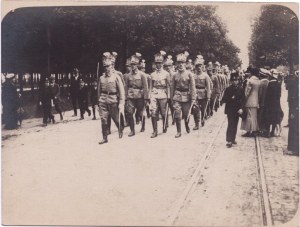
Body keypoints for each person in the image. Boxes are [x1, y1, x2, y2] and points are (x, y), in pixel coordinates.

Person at [98, 52, 125, 144]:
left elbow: (121, 91)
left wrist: (121, 103)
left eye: (108, 66)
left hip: (113, 99)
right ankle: (104, 137)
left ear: (111, 66)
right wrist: (99, 101)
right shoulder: (101, 78)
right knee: (103, 118)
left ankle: (120, 128)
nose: (106, 68)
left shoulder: (116, 77)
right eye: (105, 66)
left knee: (115, 118)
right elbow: (99, 90)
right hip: (103, 100)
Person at [171, 52, 196, 138]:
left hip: (186, 96)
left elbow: (192, 87)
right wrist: (171, 98)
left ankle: (186, 125)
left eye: (182, 63)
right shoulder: (174, 75)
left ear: (185, 64)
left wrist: (193, 98)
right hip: (177, 96)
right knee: (177, 114)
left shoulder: (189, 74)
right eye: (179, 63)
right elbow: (172, 87)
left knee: (186, 114)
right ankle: (178, 131)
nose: (181, 64)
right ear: (177, 64)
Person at [124, 53, 149, 137]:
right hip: (131, 96)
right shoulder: (128, 75)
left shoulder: (142, 74)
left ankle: (143, 125)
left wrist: (146, 98)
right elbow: (126, 87)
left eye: (134, 64)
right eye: (131, 64)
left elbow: (145, 87)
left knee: (140, 113)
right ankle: (132, 130)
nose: (133, 66)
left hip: (140, 96)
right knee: (130, 113)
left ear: (137, 65)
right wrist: (125, 98)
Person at [149, 51, 170, 137]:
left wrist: (168, 96)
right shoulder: (152, 74)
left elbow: (168, 86)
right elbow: (150, 86)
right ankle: (155, 131)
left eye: (160, 63)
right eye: (157, 63)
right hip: (154, 93)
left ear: (162, 64)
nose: (158, 65)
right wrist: (150, 96)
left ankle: (165, 125)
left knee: (163, 112)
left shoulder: (166, 74)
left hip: (163, 94)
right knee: (153, 112)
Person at [221, 72, 245, 147]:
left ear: (238, 81)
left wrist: (241, 108)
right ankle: (229, 140)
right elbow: (224, 99)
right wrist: (231, 98)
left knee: (235, 124)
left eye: (236, 80)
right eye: (233, 80)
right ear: (231, 81)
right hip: (230, 110)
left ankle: (233, 138)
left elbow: (243, 99)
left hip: (237, 110)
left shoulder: (241, 89)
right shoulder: (228, 89)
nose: (235, 81)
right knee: (230, 124)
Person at [192, 55, 212, 129]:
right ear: (195, 67)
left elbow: (209, 86)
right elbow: (191, 86)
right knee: (195, 109)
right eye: (197, 66)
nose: (198, 67)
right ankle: (196, 124)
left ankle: (202, 120)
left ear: (202, 66)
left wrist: (208, 96)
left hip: (203, 94)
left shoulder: (205, 76)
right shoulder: (193, 76)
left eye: (200, 66)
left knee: (203, 109)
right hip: (195, 94)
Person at [241, 67, 260, 137]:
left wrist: (244, 99)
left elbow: (247, 92)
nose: (247, 73)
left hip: (249, 100)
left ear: (251, 73)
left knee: (249, 116)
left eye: (248, 72)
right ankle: (254, 131)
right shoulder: (258, 81)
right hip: (256, 100)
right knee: (254, 116)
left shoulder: (250, 81)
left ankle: (248, 131)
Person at [264, 70, 284, 137]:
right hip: (276, 103)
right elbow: (279, 95)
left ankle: (267, 132)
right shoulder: (278, 84)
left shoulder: (269, 84)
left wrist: (265, 103)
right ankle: (272, 131)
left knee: (268, 118)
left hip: (269, 104)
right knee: (275, 118)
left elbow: (267, 95)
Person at [285, 70, 299, 155]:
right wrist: (293, 111)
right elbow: (294, 98)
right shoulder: (295, 84)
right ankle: (293, 148)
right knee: (294, 128)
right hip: (296, 110)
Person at [258, 68, 270, 136]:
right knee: (267, 116)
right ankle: (266, 130)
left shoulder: (261, 83)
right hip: (268, 103)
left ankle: (261, 129)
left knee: (261, 116)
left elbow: (260, 94)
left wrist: (258, 102)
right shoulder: (268, 82)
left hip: (261, 103)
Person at [164, 55, 176, 124]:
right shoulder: (164, 74)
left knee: (172, 106)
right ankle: (166, 121)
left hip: (172, 91)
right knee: (165, 107)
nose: (168, 67)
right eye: (166, 66)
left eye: (169, 66)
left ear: (171, 66)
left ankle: (174, 118)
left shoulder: (174, 74)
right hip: (165, 91)